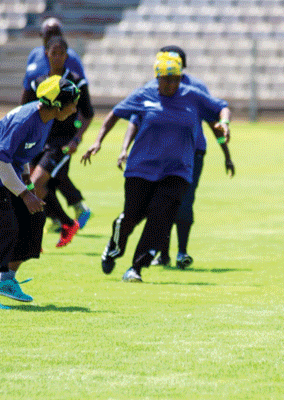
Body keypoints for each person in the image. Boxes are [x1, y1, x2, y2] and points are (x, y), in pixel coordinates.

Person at [81, 51, 231, 282]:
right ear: (157, 78)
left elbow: (221, 107)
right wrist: (98, 141)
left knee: (160, 218)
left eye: (176, 79)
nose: (171, 84)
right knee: (131, 217)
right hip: (142, 169)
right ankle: (114, 248)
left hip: (177, 170)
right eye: (166, 80)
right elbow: (115, 114)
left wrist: (225, 122)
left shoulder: (192, 96)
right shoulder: (144, 94)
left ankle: (136, 268)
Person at [0, 76, 80, 309]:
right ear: (57, 105)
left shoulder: (45, 118)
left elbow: (22, 152)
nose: (75, 109)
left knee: (34, 218)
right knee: (3, 227)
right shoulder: (26, 119)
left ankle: (6, 281)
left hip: (6, 171)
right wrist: (25, 194)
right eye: (72, 104)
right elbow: (0, 158)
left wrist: (26, 179)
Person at [138, 45, 235, 270]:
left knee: (184, 201)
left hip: (191, 154)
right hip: (160, 155)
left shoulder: (195, 89)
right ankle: (163, 254)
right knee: (161, 203)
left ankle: (182, 251)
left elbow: (213, 121)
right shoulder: (152, 87)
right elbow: (138, 120)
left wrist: (226, 154)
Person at [22, 36, 95, 247]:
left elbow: (87, 114)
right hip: (39, 142)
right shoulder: (39, 83)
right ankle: (64, 222)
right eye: (53, 53)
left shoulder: (76, 82)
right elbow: (26, 109)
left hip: (61, 144)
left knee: (36, 184)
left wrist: (76, 138)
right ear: (46, 54)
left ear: (66, 55)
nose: (57, 57)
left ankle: (38, 232)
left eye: (61, 53)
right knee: (38, 186)